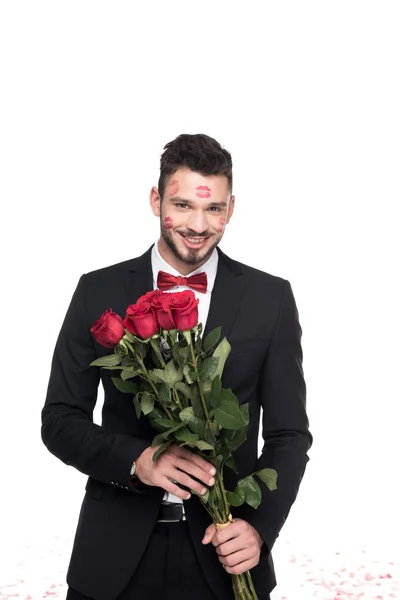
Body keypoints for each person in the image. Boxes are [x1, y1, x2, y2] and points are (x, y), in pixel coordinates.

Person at [41, 133, 312, 600]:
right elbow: (60, 419)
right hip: (112, 561)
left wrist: (258, 528)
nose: (198, 224)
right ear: (155, 200)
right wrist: (138, 461)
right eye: (182, 205)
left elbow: (290, 435)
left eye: (214, 208)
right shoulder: (97, 291)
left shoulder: (271, 299)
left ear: (231, 209)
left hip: (224, 560)